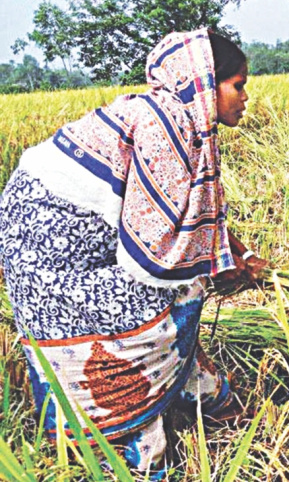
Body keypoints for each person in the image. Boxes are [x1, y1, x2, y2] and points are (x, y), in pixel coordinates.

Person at [0, 29, 268, 479]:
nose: (245, 98)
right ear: (205, 83)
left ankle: (192, 385)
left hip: (69, 238)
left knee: (184, 283)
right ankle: (132, 441)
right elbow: (157, 253)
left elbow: (191, 216)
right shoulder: (166, 127)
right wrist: (221, 267)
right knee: (166, 298)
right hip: (48, 249)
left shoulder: (178, 118)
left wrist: (232, 253)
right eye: (238, 85)